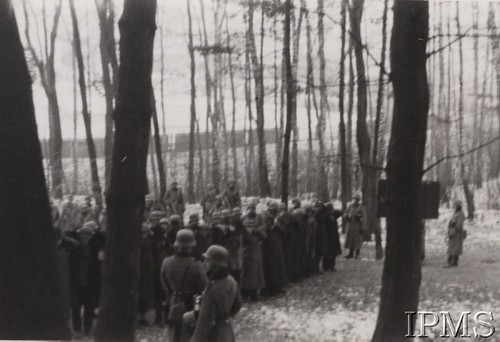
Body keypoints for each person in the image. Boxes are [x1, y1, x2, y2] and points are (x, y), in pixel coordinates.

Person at [161, 229, 208, 342]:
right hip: (191, 306)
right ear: (192, 245)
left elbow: (164, 284)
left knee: (173, 336)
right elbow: (204, 287)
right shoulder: (196, 265)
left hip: (173, 304)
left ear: (177, 244)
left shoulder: (166, 262)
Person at [190, 245, 242, 342]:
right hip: (227, 331)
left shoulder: (213, 289)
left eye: (207, 260)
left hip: (214, 335)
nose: (204, 263)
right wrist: (224, 316)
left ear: (216, 265)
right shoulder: (231, 280)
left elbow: (204, 323)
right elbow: (238, 304)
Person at [68, 221, 101, 336]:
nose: (85, 239)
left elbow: (101, 235)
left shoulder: (94, 245)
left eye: (88, 236)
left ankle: (87, 329)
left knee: (89, 308)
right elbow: (68, 234)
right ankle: (77, 330)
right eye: (83, 236)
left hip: (90, 282)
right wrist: (76, 230)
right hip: (77, 282)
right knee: (76, 308)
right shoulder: (74, 247)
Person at [261, 202, 287, 296]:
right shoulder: (265, 218)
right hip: (269, 247)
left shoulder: (275, 221)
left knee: (277, 267)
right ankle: (270, 289)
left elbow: (282, 231)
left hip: (275, 245)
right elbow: (264, 231)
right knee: (270, 268)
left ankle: (276, 287)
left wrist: (275, 225)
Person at [241, 203, 266, 301]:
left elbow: (264, 237)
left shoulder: (257, 228)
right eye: (249, 209)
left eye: (252, 209)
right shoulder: (244, 229)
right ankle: (245, 294)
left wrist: (256, 231)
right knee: (246, 277)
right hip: (246, 255)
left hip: (255, 254)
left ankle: (253, 294)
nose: (251, 211)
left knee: (256, 275)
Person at [444, 200, 466, 268]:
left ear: (458, 206)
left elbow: (459, 224)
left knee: (455, 248)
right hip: (452, 231)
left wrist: (453, 231)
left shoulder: (461, 214)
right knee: (452, 247)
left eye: (455, 206)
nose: (454, 207)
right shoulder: (455, 214)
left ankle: (451, 262)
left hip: (457, 233)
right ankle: (454, 262)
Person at [343, 193, 366, 259]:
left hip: (358, 226)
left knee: (357, 239)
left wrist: (362, 227)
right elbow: (345, 213)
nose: (355, 200)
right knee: (351, 239)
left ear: (359, 200)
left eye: (357, 199)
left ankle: (357, 254)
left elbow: (364, 218)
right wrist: (347, 217)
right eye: (354, 199)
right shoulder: (350, 206)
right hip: (350, 225)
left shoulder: (361, 207)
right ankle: (350, 254)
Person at [323, 203, 342, 271]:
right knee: (328, 252)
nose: (330, 211)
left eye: (331, 209)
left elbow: (340, 213)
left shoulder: (333, 215)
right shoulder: (325, 216)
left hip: (334, 236)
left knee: (333, 252)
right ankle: (326, 266)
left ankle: (331, 266)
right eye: (329, 209)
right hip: (328, 236)